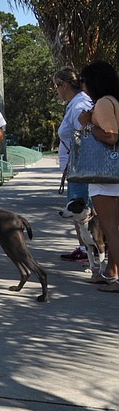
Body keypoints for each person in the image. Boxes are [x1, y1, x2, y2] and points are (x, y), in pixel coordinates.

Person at [77, 60, 119, 293]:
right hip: (114, 174)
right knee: (115, 228)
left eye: (83, 80)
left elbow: (111, 136)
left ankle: (117, 277)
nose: (82, 85)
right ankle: (110, 272)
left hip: (106, 176)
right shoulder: (115, 101)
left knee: (110, 228)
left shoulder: (103, 103)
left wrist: (87, 124)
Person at [54, 67, 94, 263]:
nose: (56, 91)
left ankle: (88, 249)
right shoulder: (76, 104)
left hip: (79, 169)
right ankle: (84, 247)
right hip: (75, 168)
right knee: (78, 210)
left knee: (80, 210)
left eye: (57, 86)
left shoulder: (78, 106)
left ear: (65, 85)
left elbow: (83, 137)